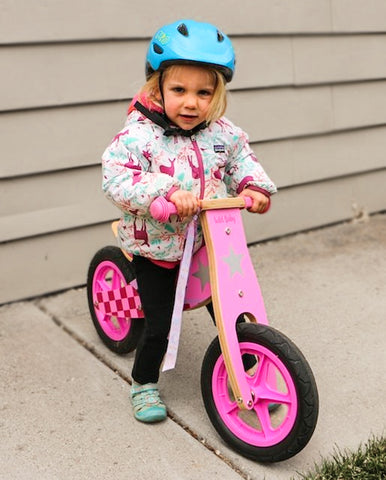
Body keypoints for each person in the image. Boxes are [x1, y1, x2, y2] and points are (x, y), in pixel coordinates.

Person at [102, 19, 277, 423]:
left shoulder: (221, 133)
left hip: (208, 246)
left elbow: (241, 160)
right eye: (179, 90)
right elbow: (117, 177)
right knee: (160, 326)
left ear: (217, 95)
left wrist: (255, 188)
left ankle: (242, 364)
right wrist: (161, 195)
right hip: (158, 250)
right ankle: (143, 383)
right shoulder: (139, 136)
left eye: (204, 92)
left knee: (234, 309)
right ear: (157, 87)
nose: (191, 103)